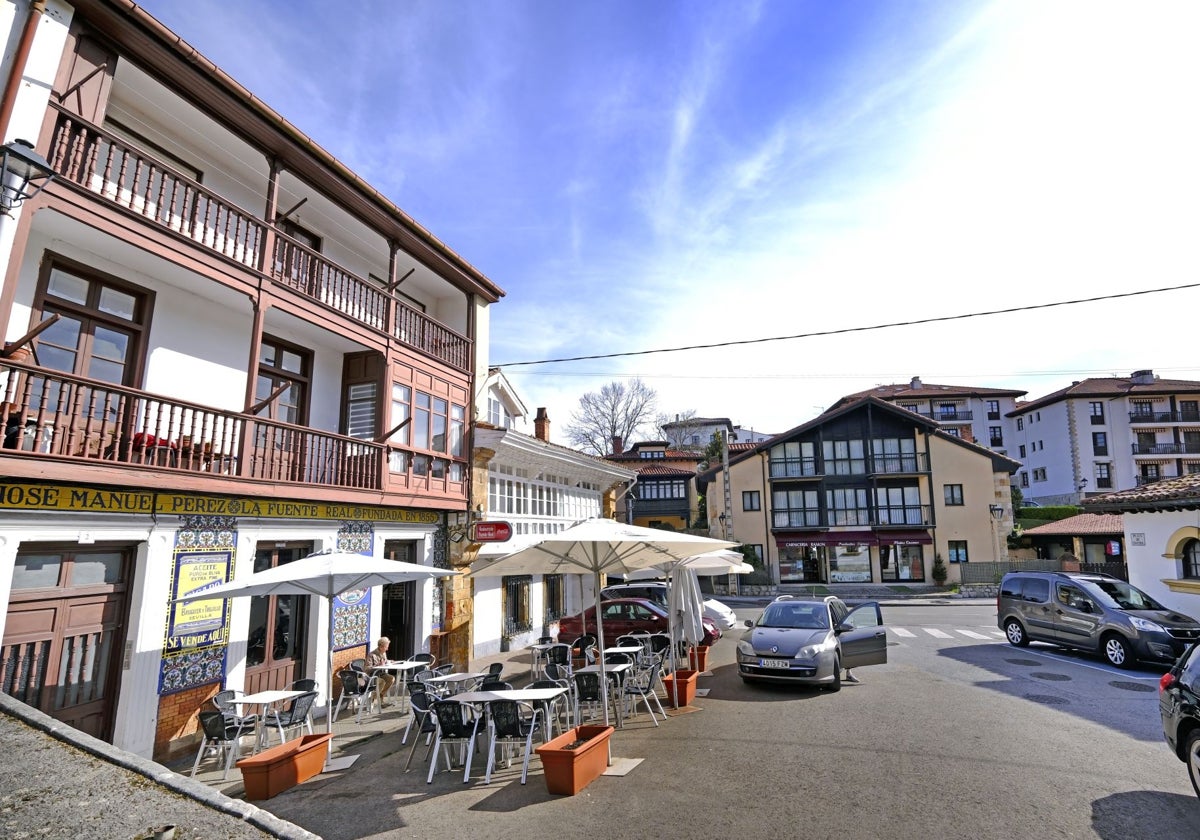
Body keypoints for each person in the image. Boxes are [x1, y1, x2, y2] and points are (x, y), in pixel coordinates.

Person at [366, 637, 396, 707]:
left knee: (391, 678)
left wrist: (389, 661)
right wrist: (377, 665)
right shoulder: (371, 655)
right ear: (381, 646)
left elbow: (384, 662)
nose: (387, 649)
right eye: (386, 647)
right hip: (372, 675)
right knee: (382, 681)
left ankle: (380, 696)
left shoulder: (383, 653)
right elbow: (366, 669)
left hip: (381, 673)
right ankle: (374, 698)